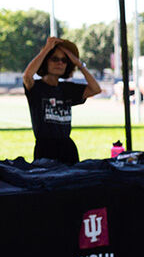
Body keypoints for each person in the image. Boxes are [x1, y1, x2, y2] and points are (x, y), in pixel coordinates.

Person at [22, 37, 102, 165]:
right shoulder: (36, 88)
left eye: (64, 60)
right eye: (54, 59)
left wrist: (78, 63)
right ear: (45, 61)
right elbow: (27, 76)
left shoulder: (67, 89)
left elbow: (95, 89)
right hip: (45, 148)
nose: (60, 63)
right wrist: (47, 48)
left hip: (67, 148)